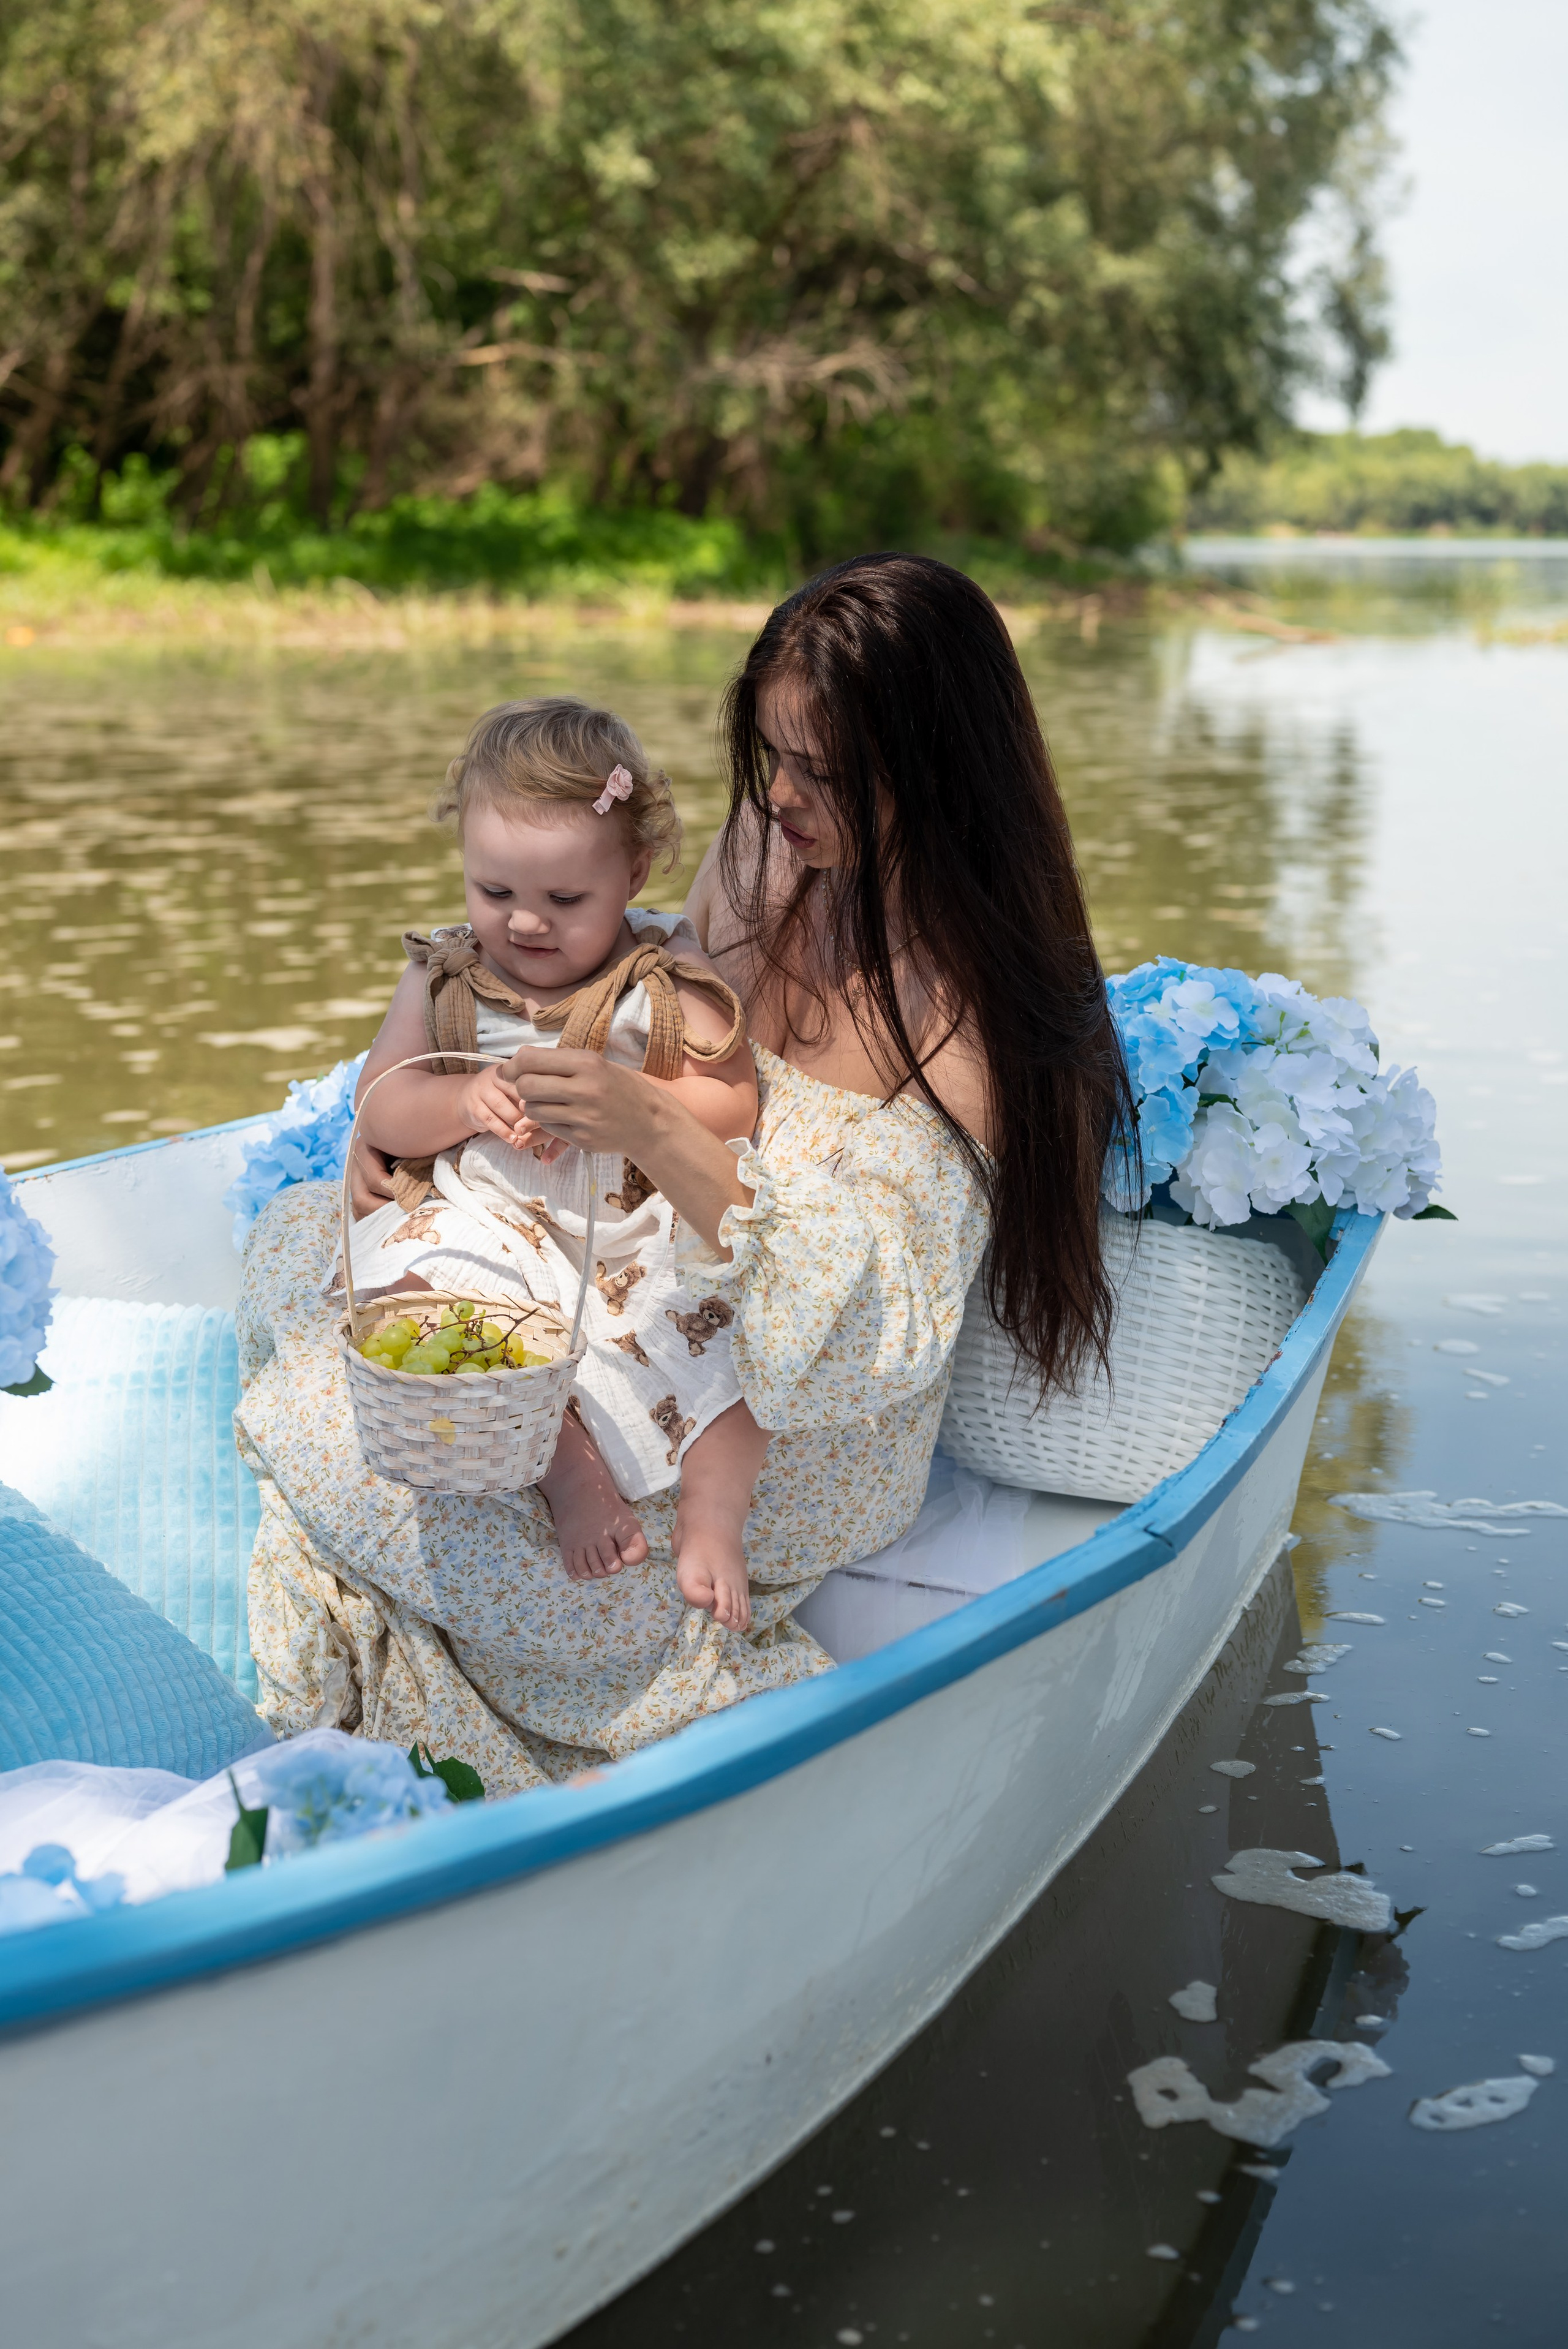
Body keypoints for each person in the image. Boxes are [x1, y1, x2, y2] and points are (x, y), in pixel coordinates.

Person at [238, 553, 1131, 1794]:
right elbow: (615, 998)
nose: (777, 795)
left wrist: (657, 1131)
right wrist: (393, 1131)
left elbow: (887, 1322)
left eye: (819, 769)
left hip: (780, 1408)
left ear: (928, 768)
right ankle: (526, 1593)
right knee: (311, 1252)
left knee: (341, 1421)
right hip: (622, 1287)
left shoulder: (967, 1011)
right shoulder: (766, 858)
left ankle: (661, 1676)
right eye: (769, 753)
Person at [345, 696, 768, 1631]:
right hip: (497, 1220)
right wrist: (459, 1102)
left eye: (565, 901)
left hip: (630, 1234)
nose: (525, 924)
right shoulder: (445, 979)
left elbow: (734, 1100)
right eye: (493, 894)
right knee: (406, 1276)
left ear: (635, 872)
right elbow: (382, 1102)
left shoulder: (656, 981)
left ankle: (714, 1511)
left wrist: (631, 1108)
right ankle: (565, 1459)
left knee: (740, 1363)